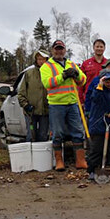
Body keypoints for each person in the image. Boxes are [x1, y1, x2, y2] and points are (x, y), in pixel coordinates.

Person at [40, 40, 88, 171]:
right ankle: (59, 162)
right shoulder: (46, 66)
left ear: (65, 50)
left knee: (78, 132)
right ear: (52, 50)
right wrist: (64, 75)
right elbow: (47, 83)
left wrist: (77, 74)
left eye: (61, 48)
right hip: (56, 104)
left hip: (73, 103)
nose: (59, 51)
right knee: (57, 133)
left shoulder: (71, 64)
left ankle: (80, 160)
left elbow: (83, 80)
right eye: (57, 49)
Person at [86, 71, 110, 181]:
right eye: (106, 81)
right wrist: (99, 86)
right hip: (98, 123)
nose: (109, 83)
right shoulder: (97, 91)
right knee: (96, 149)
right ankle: (92, 170)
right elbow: (95, 99)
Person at [18, 49, 50, 142]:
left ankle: (42, 156)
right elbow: (21, 93)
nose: (41, 61)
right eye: (39, 59)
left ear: (47, 60)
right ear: (36, 60)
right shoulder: (28, 73)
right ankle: (30, 155)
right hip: (30, 112)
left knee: (43, 136)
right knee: (31, 136)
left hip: (45, 111)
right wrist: (26, 105)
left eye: (43, 59)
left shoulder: (50, 73)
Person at [79, 39, 107, 104]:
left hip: (104, 97)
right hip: (89, 98)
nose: (99, 48)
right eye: (97, 46)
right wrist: (81, 100)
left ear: (104, 48)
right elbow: (81, 82)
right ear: (93, 48)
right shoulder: (86, 63)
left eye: (101, 47)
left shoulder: (108, 64)